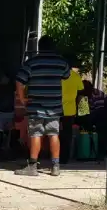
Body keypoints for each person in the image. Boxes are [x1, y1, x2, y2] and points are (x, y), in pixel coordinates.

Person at [14, 36, 71, 177]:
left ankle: (33, 166)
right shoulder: (61, 62)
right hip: (54, 106)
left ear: (39, 47)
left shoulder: (31, 63)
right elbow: (66, 76)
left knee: (35, 134)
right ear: (53, 47)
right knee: (53, 134)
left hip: (36, 106)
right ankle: (55, 166)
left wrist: (22, 99)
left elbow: (19, 81)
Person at [60, 60, 85, 162]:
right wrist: (81, 111)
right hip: (70, 111)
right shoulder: (76, 76)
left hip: (55, 109)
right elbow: (81, 94)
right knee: (67, 135)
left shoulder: (57, 75)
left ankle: (53, 156)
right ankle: (64, 158)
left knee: (53, 134)